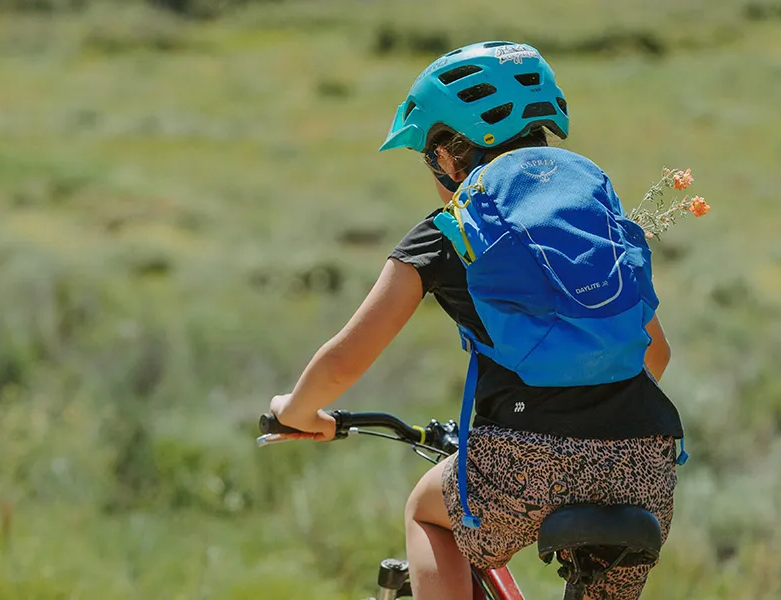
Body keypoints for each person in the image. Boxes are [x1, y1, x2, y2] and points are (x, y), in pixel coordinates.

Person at [268, 41, 683, 600]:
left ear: (446, 152)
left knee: (427, 511)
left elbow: (345, 359)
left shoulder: (453, 226)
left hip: (521, 463)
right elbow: (656, 355)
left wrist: (297, 413)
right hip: (644, 466)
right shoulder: (594, 213)